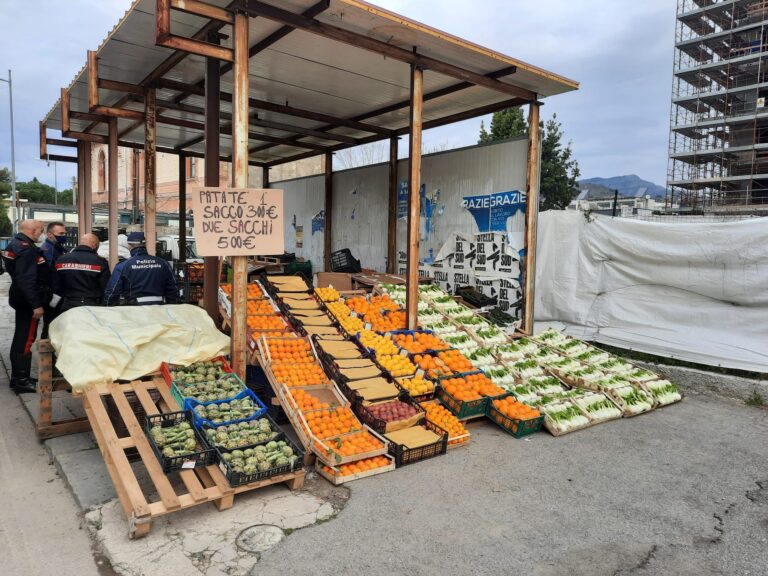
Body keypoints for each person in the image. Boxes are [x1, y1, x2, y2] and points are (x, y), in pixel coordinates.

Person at [1, 220, 51, 393]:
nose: (41, 234)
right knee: (27, 338)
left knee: (20, 336)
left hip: (19, 295)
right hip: (27, 300)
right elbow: (26, 279)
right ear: (34, 230)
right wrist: (36, 305)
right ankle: (21, 381)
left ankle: (18, 378)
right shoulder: (26, 249)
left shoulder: (14, 244)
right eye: (41, 230)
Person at [104, 232, 178, 306]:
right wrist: (171, 306)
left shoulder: (123, 265)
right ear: (144, 244)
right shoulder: (163, 263)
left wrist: (109, 307)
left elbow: (112, 291)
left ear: (129, 246)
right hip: (159, 307)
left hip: (134, 309)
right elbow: (173, 287)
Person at [52, 233, 110, 312]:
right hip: (92, 305)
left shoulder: (62, 259)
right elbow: (106, 286)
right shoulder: (100, 261)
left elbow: (56, 284)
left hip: (67, 304)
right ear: (94, 245)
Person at [40, 221, 68, 338]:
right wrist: (51, 294)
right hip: (53, 294)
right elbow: (48, 274)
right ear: (50, 234)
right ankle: (47, 348)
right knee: (51, 322)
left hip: (56, 292)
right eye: (60, 233)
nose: (64, 235)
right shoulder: (48, 251)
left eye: (64, 233)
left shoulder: (57, 248)